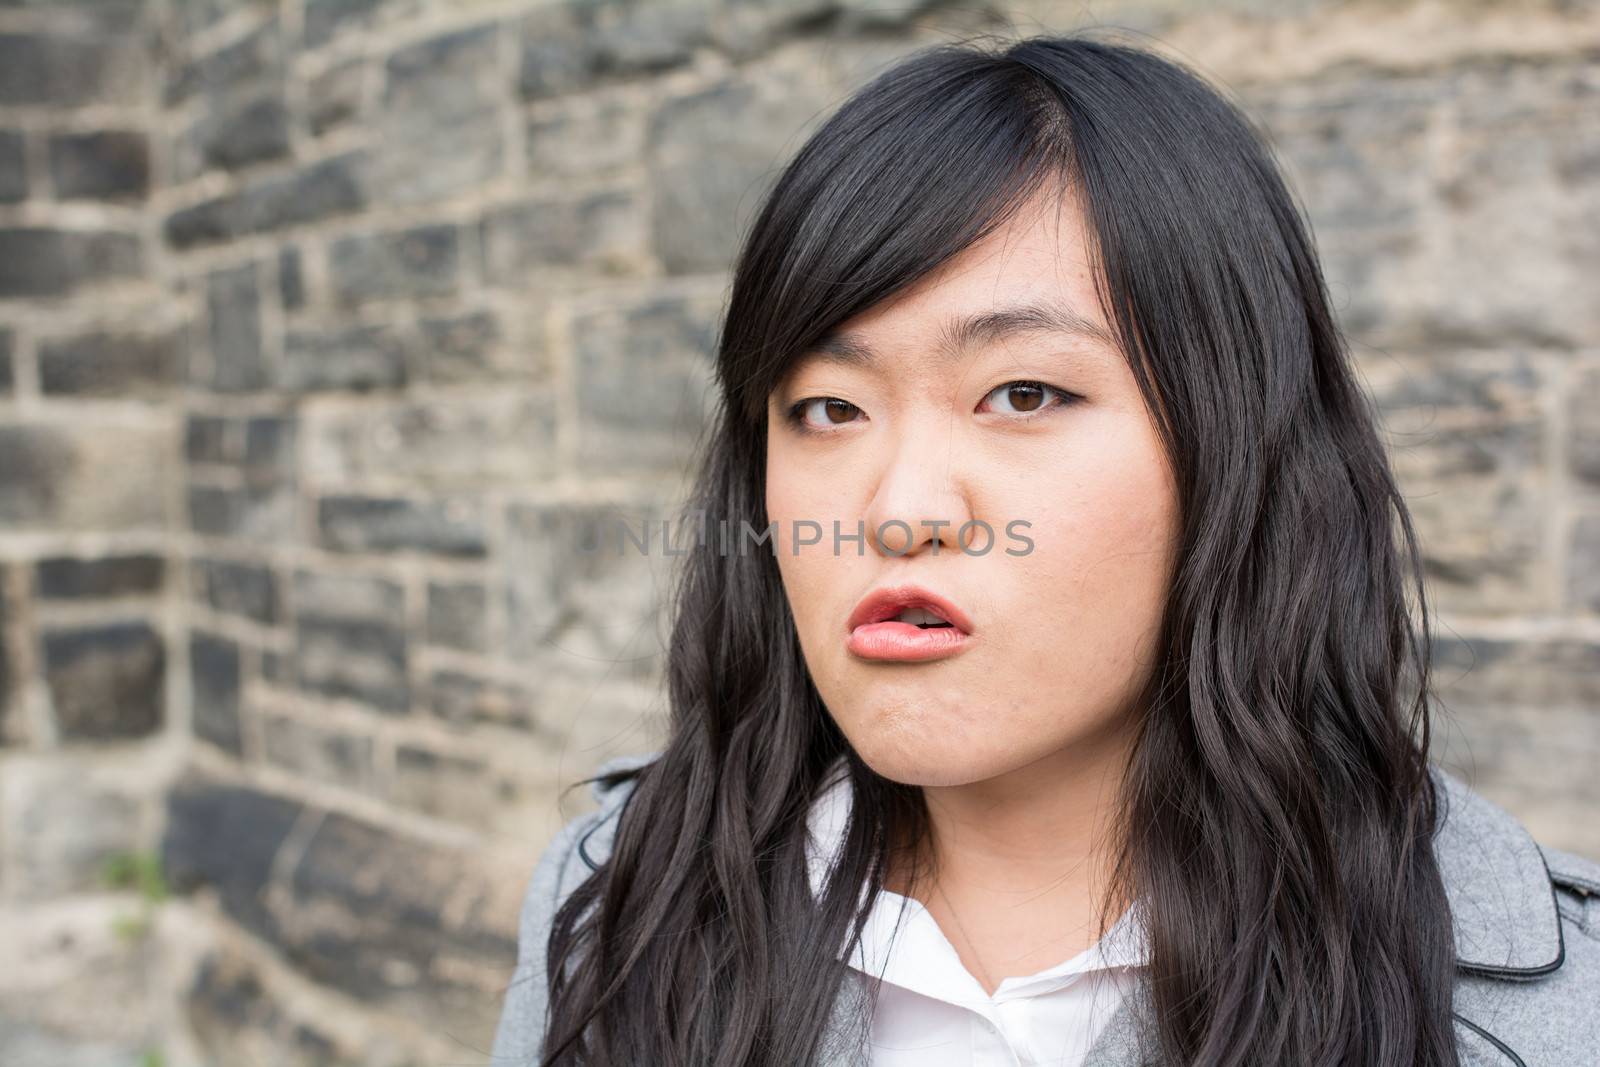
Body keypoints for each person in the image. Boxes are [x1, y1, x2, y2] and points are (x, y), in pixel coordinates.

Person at [490, 32, 1600, 1067]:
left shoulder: (1554, 1008)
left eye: (1022, 392)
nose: (896, 508)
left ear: (1235, 450)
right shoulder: (614, 907)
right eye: (826, 407)